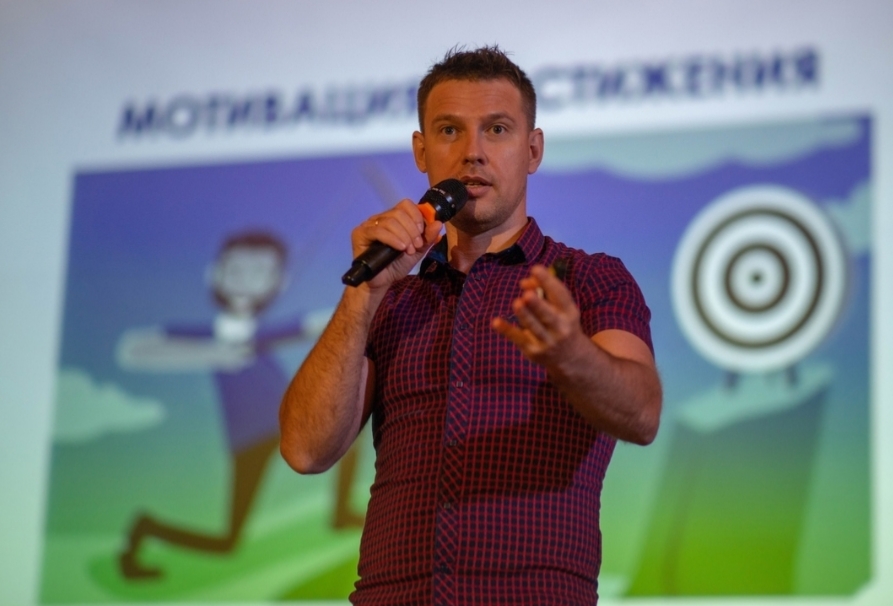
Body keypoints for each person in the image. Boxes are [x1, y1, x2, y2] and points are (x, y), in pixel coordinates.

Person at [279, 46, 662, 604]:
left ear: (533, 150)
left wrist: (570, 352)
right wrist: (362, 295)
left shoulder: (587, 279)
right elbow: (305, 450)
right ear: (422, 151)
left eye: (497, 130)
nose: (472, 153)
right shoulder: (391, 297)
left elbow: (643, 414)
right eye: (449, 131)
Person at [117, 231, 362, 580]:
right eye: (237, 271)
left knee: (347, 443)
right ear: (215, 275)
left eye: (260, 272)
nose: (247, 281)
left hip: (288, 423)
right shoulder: (212, 336)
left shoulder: (261, 334)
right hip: (251, 437)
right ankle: (147, 529)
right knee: (228, 542)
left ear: (279, 281)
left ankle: (340, 514)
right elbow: (133, 348)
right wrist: (212, 353)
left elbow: (317, 323)